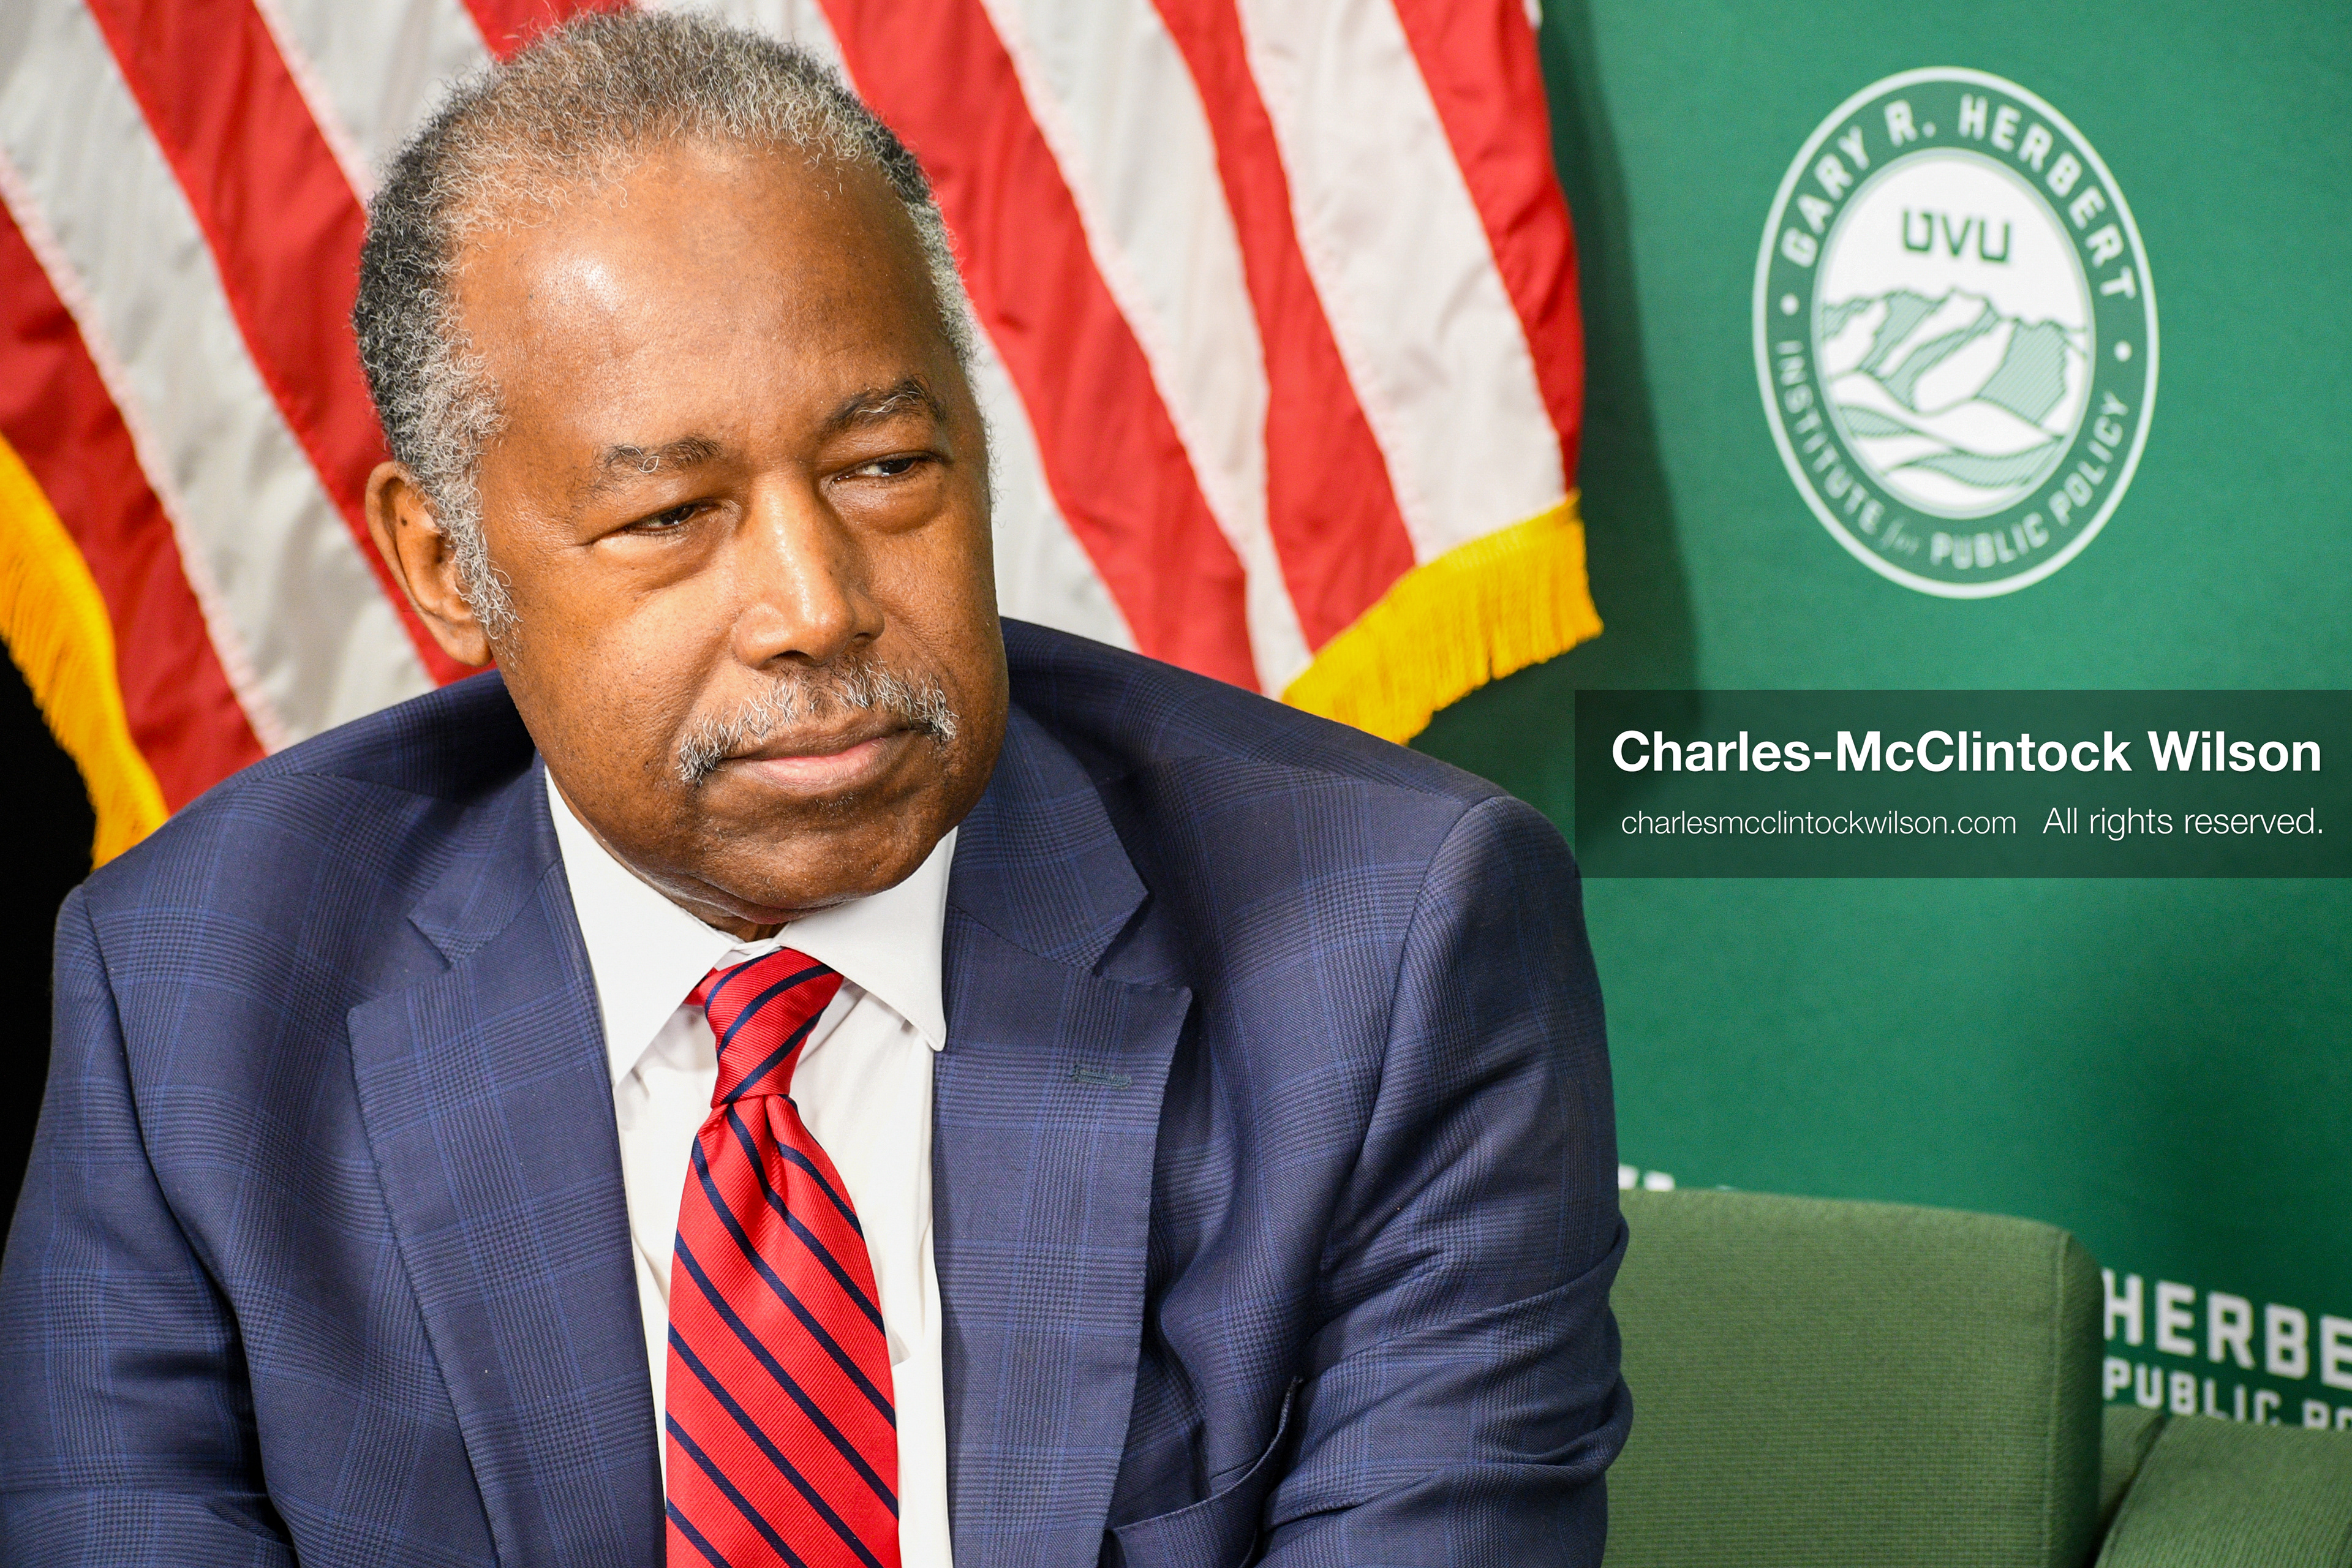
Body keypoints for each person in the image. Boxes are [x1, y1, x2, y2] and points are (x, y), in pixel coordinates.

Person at [0, 15, 1627, 1566]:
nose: (816, 603)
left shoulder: (1385, 943)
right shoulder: (190, 1002)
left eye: (883, 469)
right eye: (670, 517)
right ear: (448, 566)